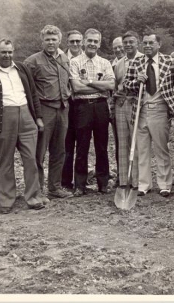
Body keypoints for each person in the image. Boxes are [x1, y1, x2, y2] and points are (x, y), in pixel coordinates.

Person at [0, 39, 45, 213]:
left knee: (31, 159)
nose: (7, 56)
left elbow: (33, 94)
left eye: (10, 52)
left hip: (26, 117)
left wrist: (37, 117)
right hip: (3, 119)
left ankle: (34, 197)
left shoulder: (22, 69)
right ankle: (6, 201)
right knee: (5, 160)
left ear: (13, 51)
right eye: (3, 52)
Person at [123, 32, 174, 197]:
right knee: (142, 149)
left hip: (160, 108)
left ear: (158, 44)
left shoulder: (170, 62)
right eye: (145, 43)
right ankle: (144, 185)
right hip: (141, 110)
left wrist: (173, 107)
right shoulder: (136, 62)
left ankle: (165, 184)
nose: (147, 46)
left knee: (161, 148)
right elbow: (126, 85)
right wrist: (136, 81)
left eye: (151, 43)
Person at [24, 25, 72, 199]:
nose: (51, 42)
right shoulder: (32, 61)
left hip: (63, 108)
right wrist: (35, 115)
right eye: (47, 39)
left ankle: (55, 187)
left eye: (54, 39)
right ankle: (37, 190)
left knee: (59, 150)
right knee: (39, 152)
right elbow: (27, 90)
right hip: (44, 110)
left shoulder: (64, 58)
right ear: (42, 41)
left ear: (60, 41)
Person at [69, 28, 115, 196]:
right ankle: (80, 185)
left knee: (102, 146)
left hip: (101, 106)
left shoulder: (105, 63)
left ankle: (103, 183)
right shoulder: (75, 62)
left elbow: (110, 86)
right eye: (90, 40)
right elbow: (76, 88)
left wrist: (87, 82)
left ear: (99, 43)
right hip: (82, 107)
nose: (92, 44)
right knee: (82, 145)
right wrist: (98, 85)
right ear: (84, 42)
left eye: (96, 41)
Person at [110, 31, 143, 188]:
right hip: (120, 104)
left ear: (137, 43)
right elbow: (116, 85)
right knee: (122, 142)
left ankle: (137, 181)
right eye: (126, 42)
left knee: (136, 142)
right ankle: (124, 180)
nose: (128, 45)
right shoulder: (118, 64)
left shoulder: (143, 60)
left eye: (131, 42)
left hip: (136, 104)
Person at [61, 30, 84, 191]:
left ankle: (81, 182)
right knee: (66, 145)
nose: (75, 44)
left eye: (78, 41)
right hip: (66, 105)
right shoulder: (61, 58)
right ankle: (65, 181)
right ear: (67, 43)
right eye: (72, 41)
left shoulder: (86, 57)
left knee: (83, 144)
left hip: (82, 104)